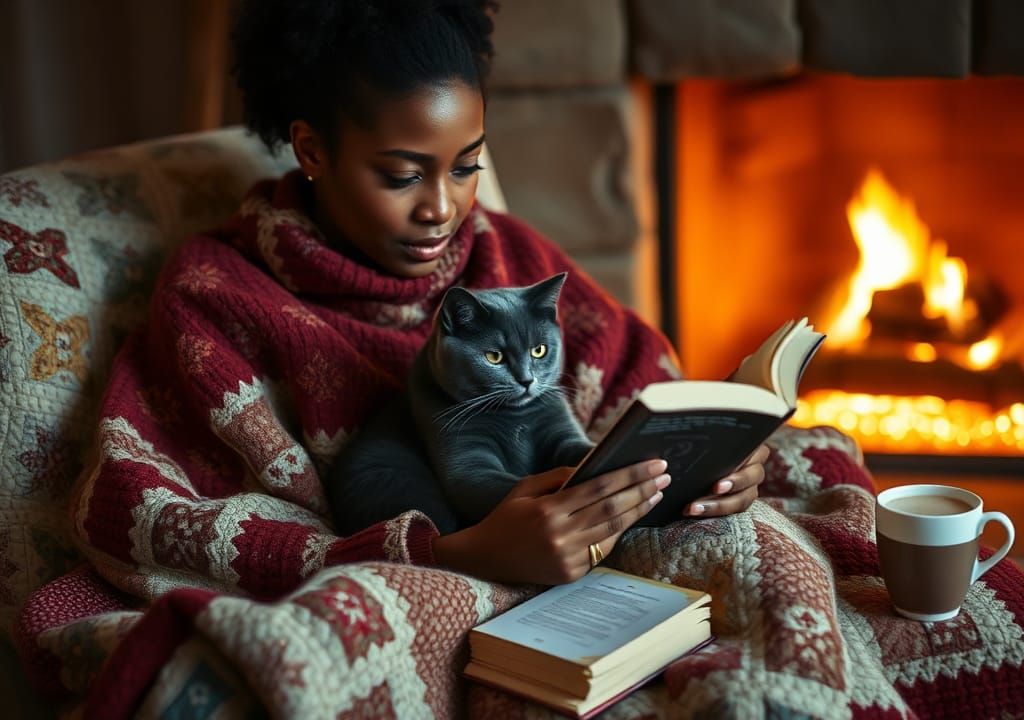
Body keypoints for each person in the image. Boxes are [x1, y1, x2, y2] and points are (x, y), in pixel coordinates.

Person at [69, 0, 767, 597]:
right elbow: (149, 517)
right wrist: (460, 554)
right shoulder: (216, 294)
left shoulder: (506, 252)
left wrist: (710, 465)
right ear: (311, 151)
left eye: (468, 167)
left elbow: (641, 382)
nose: (444, 208)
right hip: (403, 584)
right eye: (404, 176)